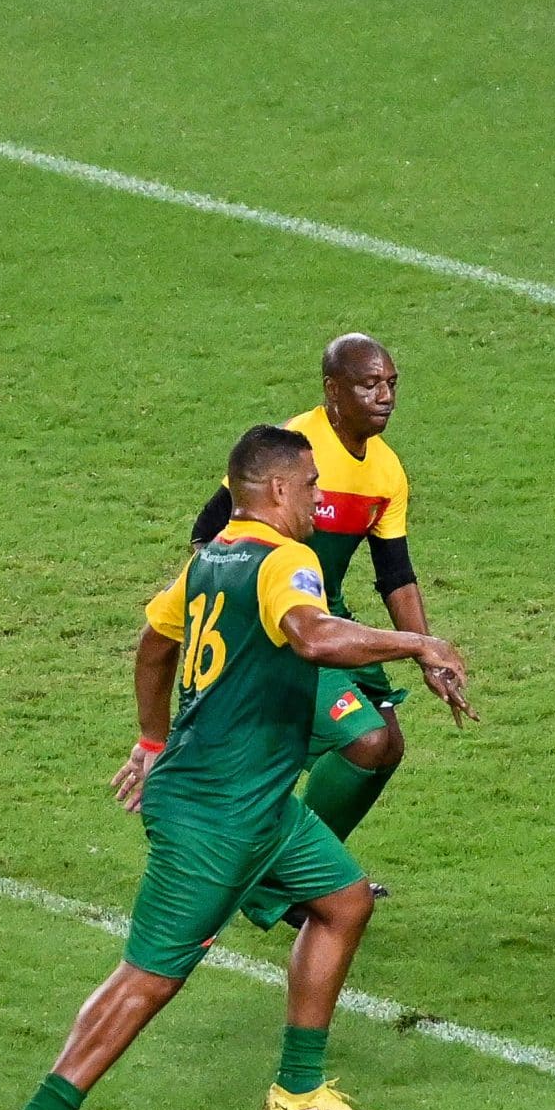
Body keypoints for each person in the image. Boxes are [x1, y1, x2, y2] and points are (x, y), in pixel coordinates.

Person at [0, 425, 474, 1110]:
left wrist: (152, 740)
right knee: (149, 976)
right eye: (311, 483)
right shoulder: (288, 561)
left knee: (344, 901)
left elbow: (154, 642)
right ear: (278, 490)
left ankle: (298, 1087)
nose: (320, 495)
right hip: (216, 810)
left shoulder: (210, 557)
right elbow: (312, 638)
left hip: (258, 800)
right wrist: (416, 643)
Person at [189, 334, 467, 925]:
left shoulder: (387, 471)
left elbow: (396, 574)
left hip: (325, 607)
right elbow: (210, 528)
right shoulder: (294, 448)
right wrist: (226, 599)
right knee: (363, 740)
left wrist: (428, 657)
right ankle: (272, 881)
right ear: (333, 391)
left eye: (391, 383)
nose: (385, 395)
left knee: (386, 747)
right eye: (370, 384)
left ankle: (295, 874)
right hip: (281, 613)